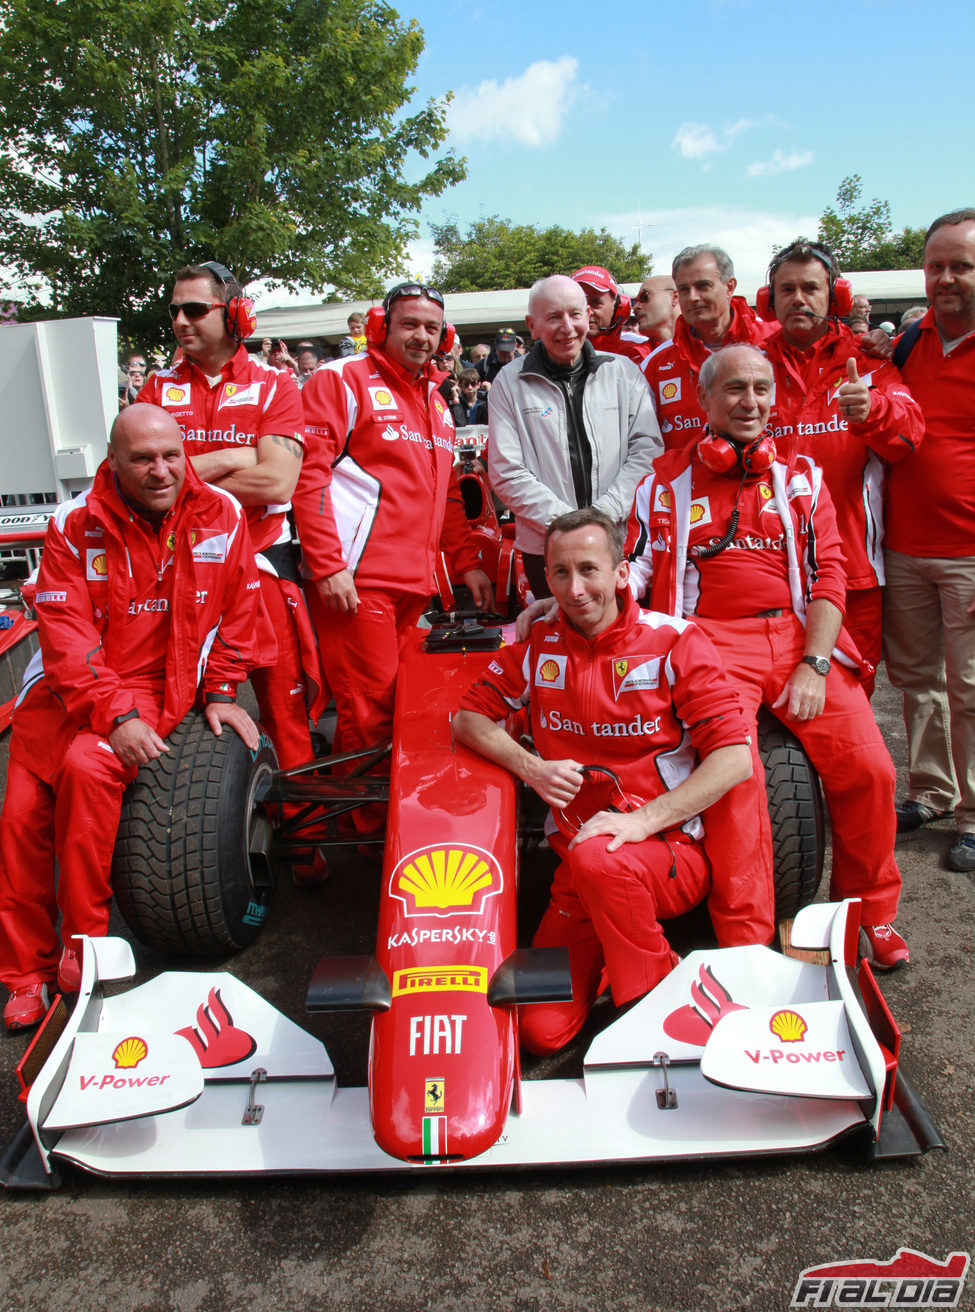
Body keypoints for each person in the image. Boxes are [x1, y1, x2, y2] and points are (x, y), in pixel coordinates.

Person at [625, 344, 908, 970]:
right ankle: (747, 943)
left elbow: (830, 575)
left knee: (874, 773)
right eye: (733, 389)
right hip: (707, 643)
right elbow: (636, 571)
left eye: (760, 388)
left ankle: (871, 913)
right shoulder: (662, 481)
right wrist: (581, 591)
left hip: (797, 638)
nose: (749, 401)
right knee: (738, 785)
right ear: (705, 401)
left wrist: (813, 663)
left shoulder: (801, 475)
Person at [0, 405, 262, 1029]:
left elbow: (242, 608)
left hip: (159, 686)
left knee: (88, 769)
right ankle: (22, 974)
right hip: (70, 689)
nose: (160, 470)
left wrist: (223, 688)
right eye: (142, 459)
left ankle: (85, 950)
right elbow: (64, 633)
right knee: (18, 817)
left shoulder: (220, 513)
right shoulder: (73, 522)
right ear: (112, 461)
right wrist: (114, 712)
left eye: (171, 455)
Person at [454, 508, 752, 1053]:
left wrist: (641, 821)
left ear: (620, 573)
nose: (575, 587)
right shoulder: (537, 643)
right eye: (559, 573)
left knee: (599, 854)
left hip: (667, 852)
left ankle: (664, 1001)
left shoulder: (675, 640)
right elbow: (468, 719)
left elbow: (735, 758)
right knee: (539, 1034)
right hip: (582, 867)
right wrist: (532, 768)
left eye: (589, 569)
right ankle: (621, 953)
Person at [293, 281, 493, 832]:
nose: (421, 336)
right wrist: (329, 565)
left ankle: (399, 819)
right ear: (382, 326)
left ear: (445, 335)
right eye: (410, 324)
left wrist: (468, 562)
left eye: (432, 327)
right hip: (358, 581)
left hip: (416, 585)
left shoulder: (437, 402)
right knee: (369, 711)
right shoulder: (341, 380)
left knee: (407, 706)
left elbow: (450, 495)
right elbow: (308, 477)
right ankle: (371, 833)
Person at [136, 262, 323, 785]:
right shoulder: (156, 389)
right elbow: (137, 486)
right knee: (171, 705)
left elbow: (276, 485)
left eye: (194, 309)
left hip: (260, 567)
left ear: (236, 314)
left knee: (285, 717)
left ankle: (306, 855)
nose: (179, 321)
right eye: (173, 310)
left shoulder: (276, 386)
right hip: (173, 570)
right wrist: (232, 457)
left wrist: (184, 477)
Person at [759, 240, 924, 690]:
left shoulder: (869, 362)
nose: (798, 298)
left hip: (853, 570)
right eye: (786, 289)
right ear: (768, 300)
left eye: (810, 288)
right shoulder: (751, 363)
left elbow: (910, 437)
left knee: (851, 697)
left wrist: (873, 411)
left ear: (836, 298)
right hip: (769, 568)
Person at [882, 209, 975, 871]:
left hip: (969, 552)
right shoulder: (908, 344)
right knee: (917, 682)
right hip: (904, 545)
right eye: (936, 265)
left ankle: (973, 813)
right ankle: (934, 791)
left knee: (970, 687)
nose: (946, 278)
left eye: (961, 266)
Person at [487, 274, 660, 600]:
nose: (567, 326)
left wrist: (603, 516)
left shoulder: (623, 372)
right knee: (560, 646)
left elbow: (647, 449)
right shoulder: (509, 383)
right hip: (547, 550)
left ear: (587, 316)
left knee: (623, 644)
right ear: (533, 325)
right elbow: (506, 471)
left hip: (619, 542)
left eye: (575, 314)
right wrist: (570, 527)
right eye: (553, 317)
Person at [642, 245, 774, 450]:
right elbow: (644, 443)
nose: (693, 297)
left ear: (729, 287)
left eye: (703, 286)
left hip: (767, 479)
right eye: (684, 289)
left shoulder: (773, 344)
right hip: (687, 481)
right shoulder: (656, 363)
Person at [572, 265, 653, 364]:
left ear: (618, 306)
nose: (587, 312)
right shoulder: (555, 350)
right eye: (580, 304)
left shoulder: (638, 350)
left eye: (596, 303)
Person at [632, 274, 679, 348]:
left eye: (644, 296)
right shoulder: (633, 355)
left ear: (674, 298)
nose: (635, 307)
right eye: (635, 301)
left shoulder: (702, 345)